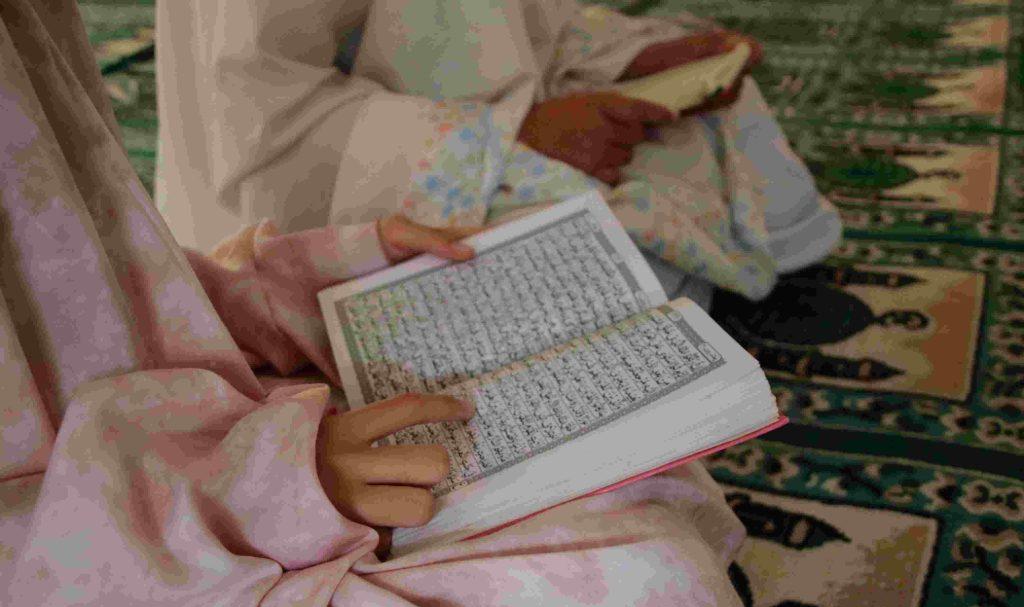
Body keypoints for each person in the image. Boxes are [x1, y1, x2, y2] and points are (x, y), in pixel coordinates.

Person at [0, 0, 749, 607]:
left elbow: (91, 288)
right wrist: (259, 488)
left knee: (632, 466)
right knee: (658, 604)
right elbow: (257, 115)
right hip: (118, 567)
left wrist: (302, 279)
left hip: (186, 439)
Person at [155, 0, 843, 310]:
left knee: (725, 119)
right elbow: (261, 133)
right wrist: (518, 134)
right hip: (344, 192)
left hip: (490, 124)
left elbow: (521, 27)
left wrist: (638, 58)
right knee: (620, 239)